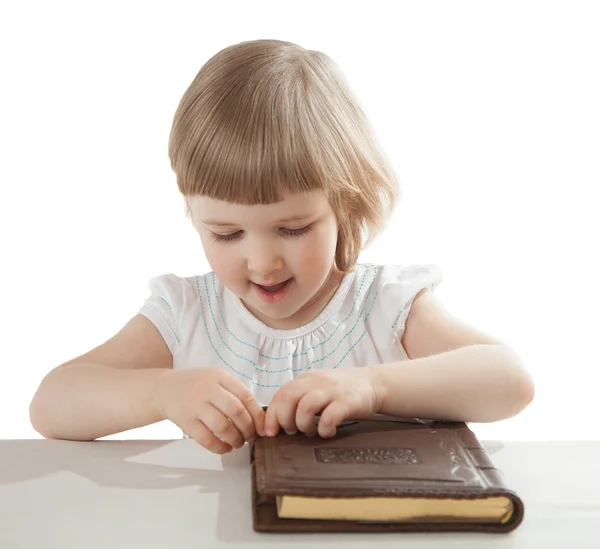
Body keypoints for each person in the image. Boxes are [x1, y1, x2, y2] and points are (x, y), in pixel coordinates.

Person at [29, 39, 534, 454]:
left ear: (345, 202)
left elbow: (510, 380)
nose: (262, 262)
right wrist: (160, 391)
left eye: (292, 229)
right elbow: (51, 404)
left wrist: (373, 387)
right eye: (226, 234)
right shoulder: (188, 314)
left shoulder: (383, 306)